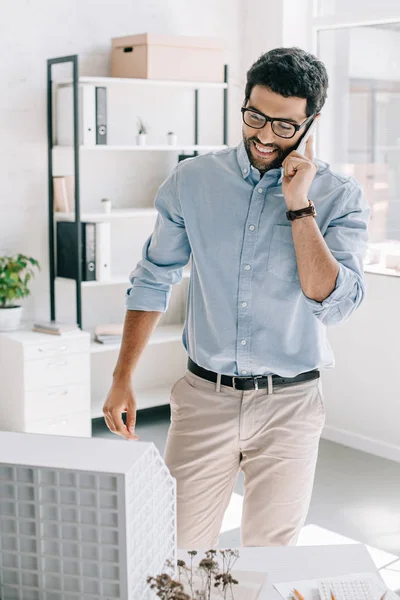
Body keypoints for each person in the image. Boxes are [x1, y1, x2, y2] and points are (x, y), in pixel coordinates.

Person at [103, 47, 370, 548]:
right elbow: (154, 277)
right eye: (255, 116)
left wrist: (299, 207)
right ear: (244, 103)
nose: (265, 135)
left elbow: (333, 302)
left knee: (270, 560)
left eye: (285, 125)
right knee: (176, 550)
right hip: (205, 397)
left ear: (311, 121)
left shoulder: (340, 195)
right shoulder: (193, 180)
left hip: (290, 405)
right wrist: (122, 377)